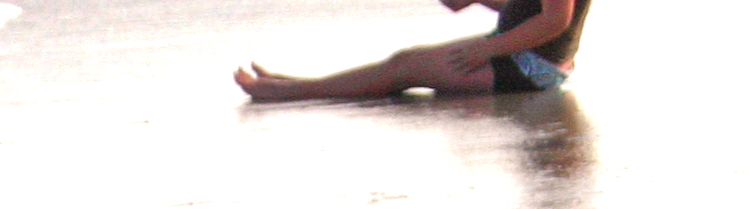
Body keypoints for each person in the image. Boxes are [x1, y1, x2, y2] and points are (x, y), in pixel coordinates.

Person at [235, 0, 587, 103]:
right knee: (404, 62)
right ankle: (294, 86)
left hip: (531, 65)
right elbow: (532, 8)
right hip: (528, 56)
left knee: (403, 68)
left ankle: (288, 91)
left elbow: (556, 20)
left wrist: (486, 49)